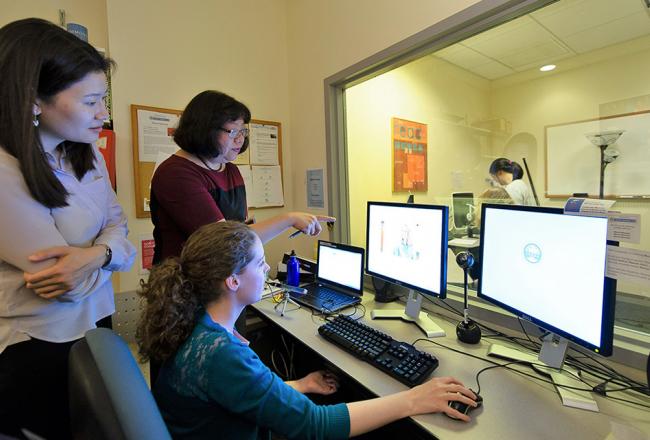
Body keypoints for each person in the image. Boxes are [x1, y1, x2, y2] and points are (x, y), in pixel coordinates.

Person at [137, 221, 478, 439]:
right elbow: (316, 426)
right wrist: (413, 399)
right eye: (259, 262)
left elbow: (236, 391)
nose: (269, 266)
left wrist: (298, 384)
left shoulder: (193, 322)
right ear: (232, 280)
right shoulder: (221, 353)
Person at [0, 18, 136, 439]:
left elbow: (120, 227)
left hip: (96, 321)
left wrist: (99, 254)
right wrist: (111, 253)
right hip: (39, 342)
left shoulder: (83, 149)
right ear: (35, 100)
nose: (104, 114)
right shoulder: (6, 171)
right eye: (92, 101)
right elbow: (67, 284)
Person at [150, 90, 333, 265]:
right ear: (205, 130)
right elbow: (224, 242)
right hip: (184, 287)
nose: (240, 139)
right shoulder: (175, 174)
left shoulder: (230, 170)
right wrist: (289, 219)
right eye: (233, 132)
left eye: (243, 131)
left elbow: (240, 232)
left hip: (224, 281)